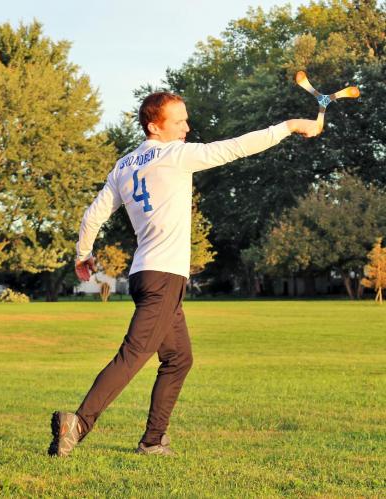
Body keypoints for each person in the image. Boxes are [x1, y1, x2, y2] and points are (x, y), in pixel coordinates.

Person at [48, 92, 319, 457]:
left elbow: (92, 215)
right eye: (179, 121)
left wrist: (84, 254)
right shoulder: (175, 155)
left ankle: (154, 440)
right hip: (163, 278)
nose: (187, 128)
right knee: (132, 356)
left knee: (178, 359)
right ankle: (78, 423)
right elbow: (236, 147)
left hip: (147, 275)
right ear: (154, 126)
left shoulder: (123, 166)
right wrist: (289, 126)